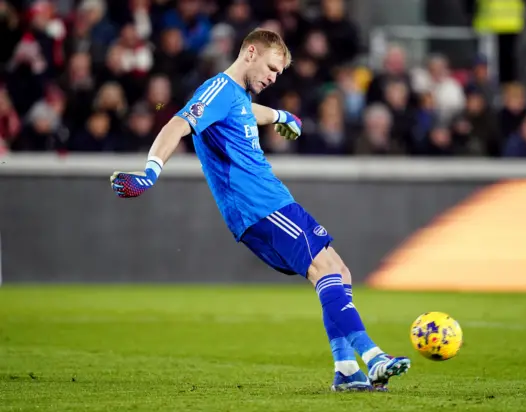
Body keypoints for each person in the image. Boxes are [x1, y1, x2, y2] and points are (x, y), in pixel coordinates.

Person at [109, 28, 410, 392]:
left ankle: (347, 370)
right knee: (325, 269)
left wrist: (282, 116)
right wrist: (150, 173)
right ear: (250, 52)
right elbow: (176, 124)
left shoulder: (233, 97)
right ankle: (373, 356)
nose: (273, 77)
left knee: (339, 273)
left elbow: (248, 113)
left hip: (271, 204)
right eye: (271, 68)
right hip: (261, 207)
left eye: (279, 74)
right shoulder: (217, 89)